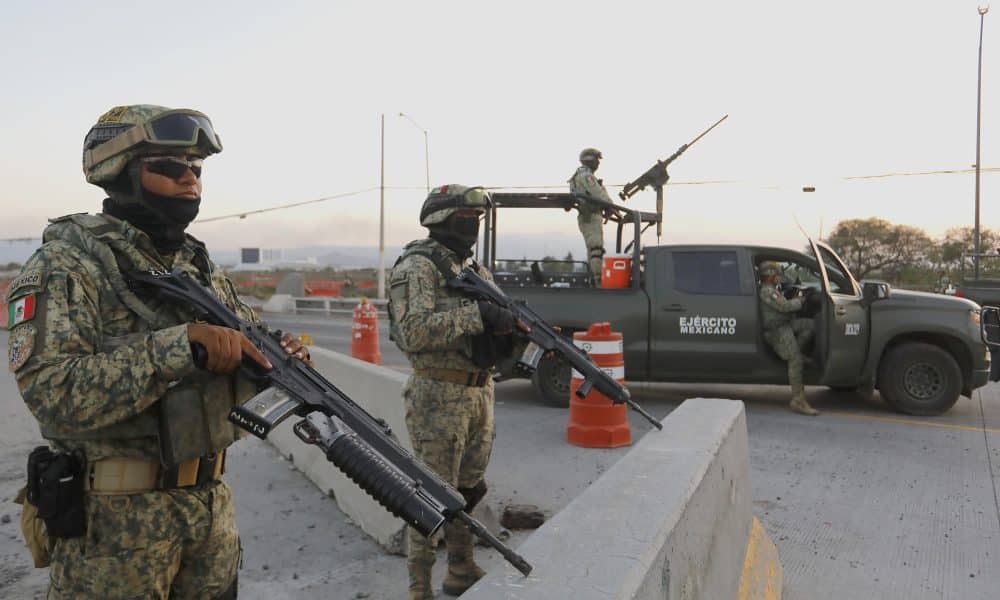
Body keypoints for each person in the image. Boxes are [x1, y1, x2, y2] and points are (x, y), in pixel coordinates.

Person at [6, 104, 312, 598]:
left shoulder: (196, 266)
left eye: (196, 169)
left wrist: (277, 354)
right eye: (169, 168)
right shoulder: (69, 264)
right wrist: (178, 346)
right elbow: (52, 393)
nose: (189, 180)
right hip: (114, 531)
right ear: (119, 172)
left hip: (209, 514)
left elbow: (246, 340)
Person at [388, 184, 521, 599]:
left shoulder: (475, 271)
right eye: (466, 220)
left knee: (468, 490)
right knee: (430, 499)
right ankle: (419, 588)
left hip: (479, 393)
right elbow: (412, 331)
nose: (473, 227)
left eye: (478, 220)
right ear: (441, 220)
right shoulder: (418, 267)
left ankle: (461, 568)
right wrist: (476, 314)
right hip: (437, 395)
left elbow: (495, 319)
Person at [758, 261, 820, 416]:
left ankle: (796, 351)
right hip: (777, 330)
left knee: (810, 325)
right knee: (796, 361)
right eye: (777, 274)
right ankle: (798, 400)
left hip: (785, 323)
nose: (780, 277)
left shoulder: (773, 289)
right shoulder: (767, 291)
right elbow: (785, 307)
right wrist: (800, 300)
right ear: (770, 276)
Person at [568, 147, 612, 285]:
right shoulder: (586, 176)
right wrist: (610, 205)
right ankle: (598, 280)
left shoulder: (579, 175)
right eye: (597, 160)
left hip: (588, 216)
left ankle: (594, 279)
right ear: (590, 160)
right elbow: (597, 193)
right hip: (591, 216)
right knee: (596, 249)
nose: (598, 163)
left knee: (592, 250)